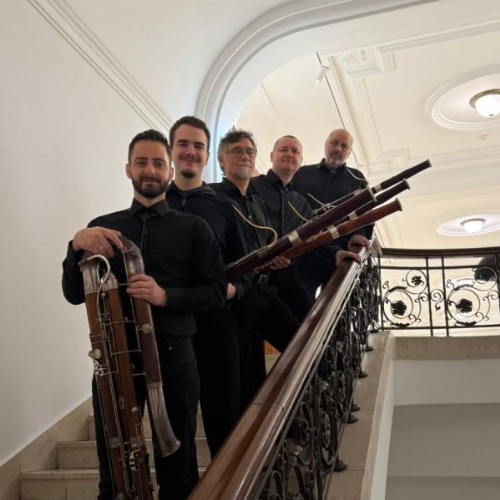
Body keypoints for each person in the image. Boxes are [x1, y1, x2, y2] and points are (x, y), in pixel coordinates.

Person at [61, 129, 226, 500]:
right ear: (128, 169)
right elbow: (73, 294)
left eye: (157, 163)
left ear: (169, 171)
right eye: (141, 162)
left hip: (175, 354)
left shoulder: (194, 228)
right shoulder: (102, 227)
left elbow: (216, 293)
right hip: (115, 359)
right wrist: (75, 244)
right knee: (114, 463)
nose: (149, 170)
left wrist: (165, 296)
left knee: (179, 469)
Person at [166, 115, 250, 458]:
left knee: (225, 417)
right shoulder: (155, 202)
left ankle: (227, 483)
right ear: (171, 151)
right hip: (169, 327)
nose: (190, 151)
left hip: (215, 324)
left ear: (206, 156)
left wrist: (230, 291)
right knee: (175, 420)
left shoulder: (225, 207)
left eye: (198, 146)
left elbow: (245, 271)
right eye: (183, 144)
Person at [210, 128, 300, 409]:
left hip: (263, 292)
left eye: (250, 152)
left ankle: (289, 410)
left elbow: (264, 245)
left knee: (302, 345)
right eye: (237, 151)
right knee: (247, 377)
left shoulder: (256, 202)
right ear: (221, 160)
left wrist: (278, 259)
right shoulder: (211, 198)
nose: (245, 156)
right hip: (236, 300)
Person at [250, 135, 360, 320]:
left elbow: (313, 241)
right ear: (271, 155)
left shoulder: (301, 204)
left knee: (312, 323)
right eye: (283, 149)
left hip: (285, 279)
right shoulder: (251, 187)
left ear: (300, 161)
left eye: (295, 151)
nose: (289, 154)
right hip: (249, 282)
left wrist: (336, 253)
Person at [293, 128, 370, 299]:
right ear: (325, 144)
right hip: (306, 252)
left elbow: (365, 211)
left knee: (334, 302)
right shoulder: (302, 173)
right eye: (334, 143)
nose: (338, 148)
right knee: (301, 301)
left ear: (349, 153)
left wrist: (358, 233)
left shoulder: (357, 178)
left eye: (344, 146)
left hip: (341, 251)